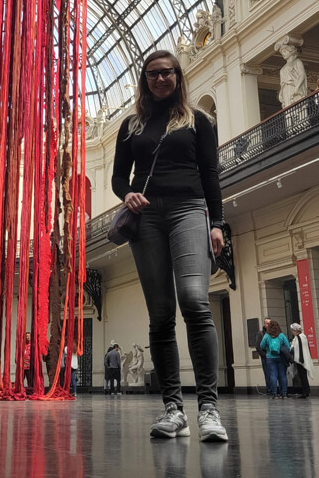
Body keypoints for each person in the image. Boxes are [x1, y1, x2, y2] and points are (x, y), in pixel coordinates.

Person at [112, 50, 227, 442]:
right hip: (146, 218)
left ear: (178, 76)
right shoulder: (131, 125)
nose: (160, 79)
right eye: (153, 73)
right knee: (160, 314)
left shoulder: (198, 120)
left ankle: (208, 408)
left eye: (167, 72)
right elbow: (118, 178)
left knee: (194, 299)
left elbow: (210, 173)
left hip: (189, 209)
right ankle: (174, 410)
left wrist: (217, 222)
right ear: (144, 79)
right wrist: (127, 194)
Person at [259, 320, 291, 399]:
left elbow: (262, 346)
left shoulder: (267, 336)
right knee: (283, 375)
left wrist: (267, 349)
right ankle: (284, 393)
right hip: (281, 357)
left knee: (273, 375)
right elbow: (288, 346)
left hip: (270, 357)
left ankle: (275, 394)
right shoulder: (281, 335)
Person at [289, 324, 314, 398]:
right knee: (304, 376)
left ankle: (305, 392)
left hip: (300, 360)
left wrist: (300, 359)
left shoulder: (298, 338)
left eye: (292, 330)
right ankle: (306, 391)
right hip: (304, 359)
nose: (292, 332)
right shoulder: (304, 337)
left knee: (302, 376)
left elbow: (297, 349)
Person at [255, 318, 272, 394]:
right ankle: (270, 390)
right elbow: (258, 346)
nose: (268, 325)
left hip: (273, 356)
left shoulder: (274, 333)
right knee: (268, 374)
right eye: (267, 323)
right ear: (264, 324)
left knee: (274, 374)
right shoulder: (261, 334)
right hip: (266, 357)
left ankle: (276, 390)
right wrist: (264, 355)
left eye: (270, 323)